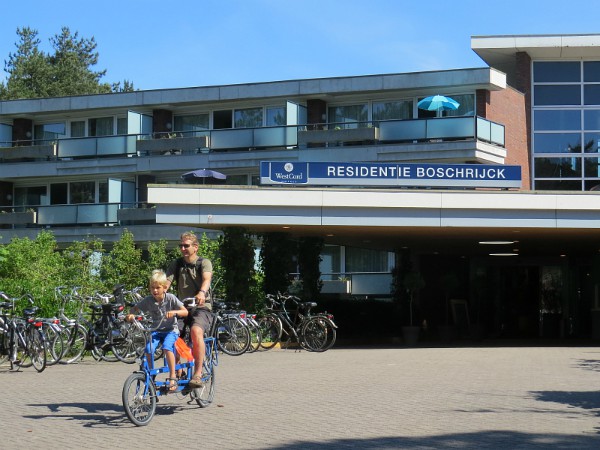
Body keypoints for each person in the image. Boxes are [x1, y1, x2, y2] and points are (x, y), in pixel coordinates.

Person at [126, 269, 188, 392]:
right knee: (148, 349)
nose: (155, 290)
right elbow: (135, 309)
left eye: (158, 288)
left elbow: (185, 311)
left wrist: (174, 312)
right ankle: (150, 376)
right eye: (152, 288)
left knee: (166, 347)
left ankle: (172, 376)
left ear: (164, 288)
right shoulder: (149, 300)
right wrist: (130, 315)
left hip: (171, 330)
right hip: (156, 331)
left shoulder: (170, 298)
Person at [166, 231, 213, 388]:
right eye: (181, 246)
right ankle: (178, 370)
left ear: (195, 247)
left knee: (196, 331)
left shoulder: (203, 263)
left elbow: (206, 279)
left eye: (186, 246)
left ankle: (198, 374)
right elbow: (166, 282)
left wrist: (201, 293)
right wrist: (159, 292)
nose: (183, 249)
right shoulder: (177, 264)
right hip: (182, 308)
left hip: (201, 307)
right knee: (171, 334)